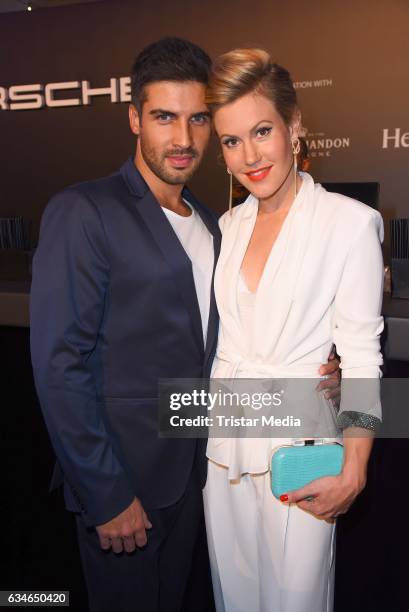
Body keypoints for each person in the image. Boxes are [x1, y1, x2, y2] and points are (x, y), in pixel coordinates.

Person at [30, 38, 340, 612]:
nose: (182, 138)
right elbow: (58, 366)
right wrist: (106, 495)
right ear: (134, 119)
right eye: (164, 117)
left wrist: (330, 374)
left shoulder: (214, 222)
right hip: (125, 488)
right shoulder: (86, 211)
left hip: (202, 478)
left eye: (199, 119)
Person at [203, 48, 384, 612]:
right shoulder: (227, 226)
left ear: (295, 126)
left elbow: (360, 359)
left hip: (300, 447)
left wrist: (355, 468)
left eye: (262, 131)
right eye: (232, 141)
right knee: (233, 597)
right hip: (222, 448)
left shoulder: (349, 224)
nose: (250, 156)